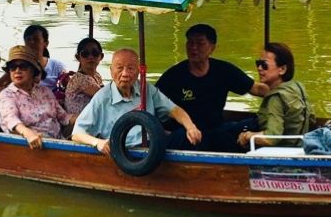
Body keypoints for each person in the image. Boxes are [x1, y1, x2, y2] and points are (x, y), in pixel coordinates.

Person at [156, 23, 268, 151]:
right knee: (188, 138)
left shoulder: (223, 70)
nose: (193, 47)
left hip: (216, 130)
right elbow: (153, 102)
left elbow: (256, 89)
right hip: (186, 134)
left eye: (200, 43)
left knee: (253, 123)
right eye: (190, 42)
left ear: (212, 48)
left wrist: (284, 94)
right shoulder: (174, 75)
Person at [72, 49, 202, 154]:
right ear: (111, 71)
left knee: (186, 136)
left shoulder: (146, 89)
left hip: (153, 144)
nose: (125, 74)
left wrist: (191, 127)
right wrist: (98, 143)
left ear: (139, 71)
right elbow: (77, 133)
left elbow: (173, 109)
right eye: (119, 68)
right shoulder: (102, 98)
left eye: (130, 68)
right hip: (124, 152)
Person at [238, 42, 315, 149]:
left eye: (264, 65)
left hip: (283, 151)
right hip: (300, 146)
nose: (259, 68)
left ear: (282, 69)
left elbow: (271, 138)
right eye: (258, 63)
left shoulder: (276, 97)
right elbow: (311, 120)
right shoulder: (297, 88)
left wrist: (247, 136)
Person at [0, 45, 73, 149]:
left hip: (58, 143)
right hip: (31, 146)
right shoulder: (7, 94)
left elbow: (63, 116)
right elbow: (10, 119)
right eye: (13, 67)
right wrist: (28, 133)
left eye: (23, 66)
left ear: (33, 70)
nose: (17, 70)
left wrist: (83, 118)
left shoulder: (45, 91)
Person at [63, 37, 104, 117]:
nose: (90, 57)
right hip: (78, 122)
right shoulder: (80, 79)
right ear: (78, 57)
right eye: (85, 54)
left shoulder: (97, 75)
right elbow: (104, 97)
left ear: (101, 56)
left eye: (95, 53)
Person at [24, 24, 67, 91]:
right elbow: (2, 84)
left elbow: (68, 89)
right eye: (28, 39)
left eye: (36, 39)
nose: (31, 42)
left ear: (46, 43)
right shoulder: (18, 66)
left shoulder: (57, 66)